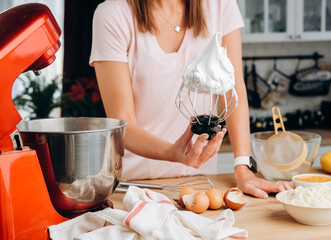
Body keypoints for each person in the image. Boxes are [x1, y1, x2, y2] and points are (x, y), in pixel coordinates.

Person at [90, 0, 292, 198]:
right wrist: (173, 153)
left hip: (201, 183)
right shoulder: (113, 14)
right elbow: (123, 124)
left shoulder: (219, 5)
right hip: (136, 186)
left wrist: (243, 167)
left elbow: (232, 87)